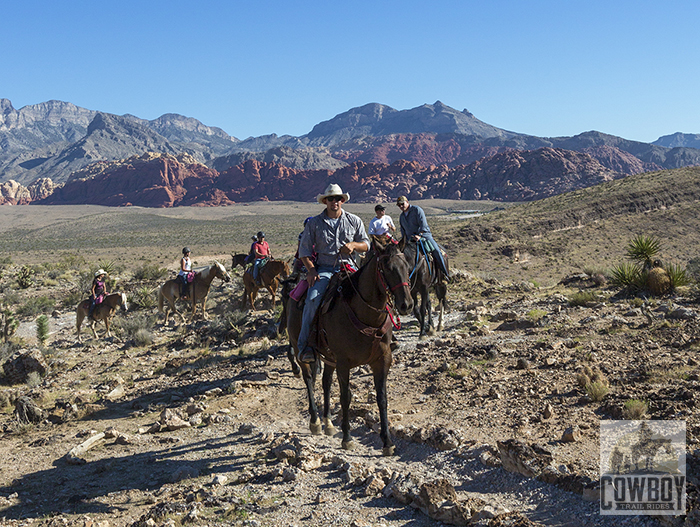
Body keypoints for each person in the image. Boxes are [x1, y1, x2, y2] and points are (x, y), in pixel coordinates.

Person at [296, 183, 370, 363]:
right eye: (331, 199)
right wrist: (312, 270)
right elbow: (304, 251)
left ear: (342, 201)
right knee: (313, 299)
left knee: (373, 291)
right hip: (325, 269)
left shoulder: (354, 220)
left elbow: (366, 244)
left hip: (349, 267)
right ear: (325, 201)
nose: (334, 202)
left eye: (337, 198)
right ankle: (305, 346)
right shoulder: (314, 223)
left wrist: (353, 245)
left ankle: (385, 336)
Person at [396, 195, 449, 279]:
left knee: (437, 251)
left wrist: (419, 235)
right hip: (410, 241)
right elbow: (403, 231)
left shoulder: (417, 210)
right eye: (399, 205)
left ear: (407, 202)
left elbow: (423, 225)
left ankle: (444, 275)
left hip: (424, 237)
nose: (401, 206)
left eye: (402, 204)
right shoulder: (402, 217)